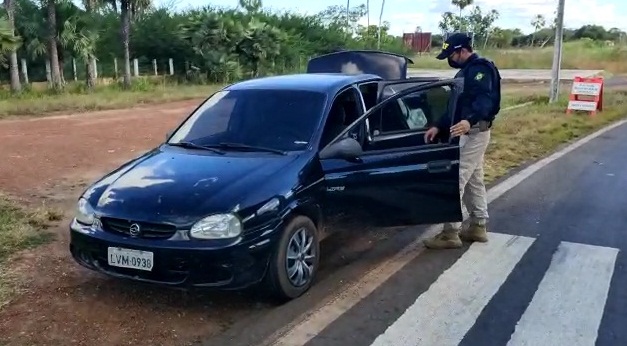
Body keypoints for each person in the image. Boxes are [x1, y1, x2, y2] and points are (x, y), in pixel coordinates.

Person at [422, 33, 502, 250]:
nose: (451, 59)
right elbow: (456, 106)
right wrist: (439, 125)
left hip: (474, 132)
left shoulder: (481, 69)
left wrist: (469, 120)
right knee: (474, 179)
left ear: (463, 50)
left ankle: (450, 233)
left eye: (452, 54)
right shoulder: (465, 71)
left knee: (455, 180)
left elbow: (485, 101)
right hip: (467, 131)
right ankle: (478, 225)